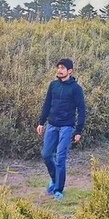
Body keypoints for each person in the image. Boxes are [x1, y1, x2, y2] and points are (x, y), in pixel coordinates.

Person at [36, 58, 86, 199]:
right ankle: (54, 179)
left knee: (60, 158)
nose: (59, 70)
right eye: (58, 67)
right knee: (46, 154)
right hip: (52, 125)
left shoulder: (76, 89)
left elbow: (82, 110)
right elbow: (47, 104)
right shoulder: (53, 85)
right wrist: (41, 122)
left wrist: (78, 131)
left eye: (62, 68)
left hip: (67, 127)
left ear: (69, 71)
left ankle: (58, 189)